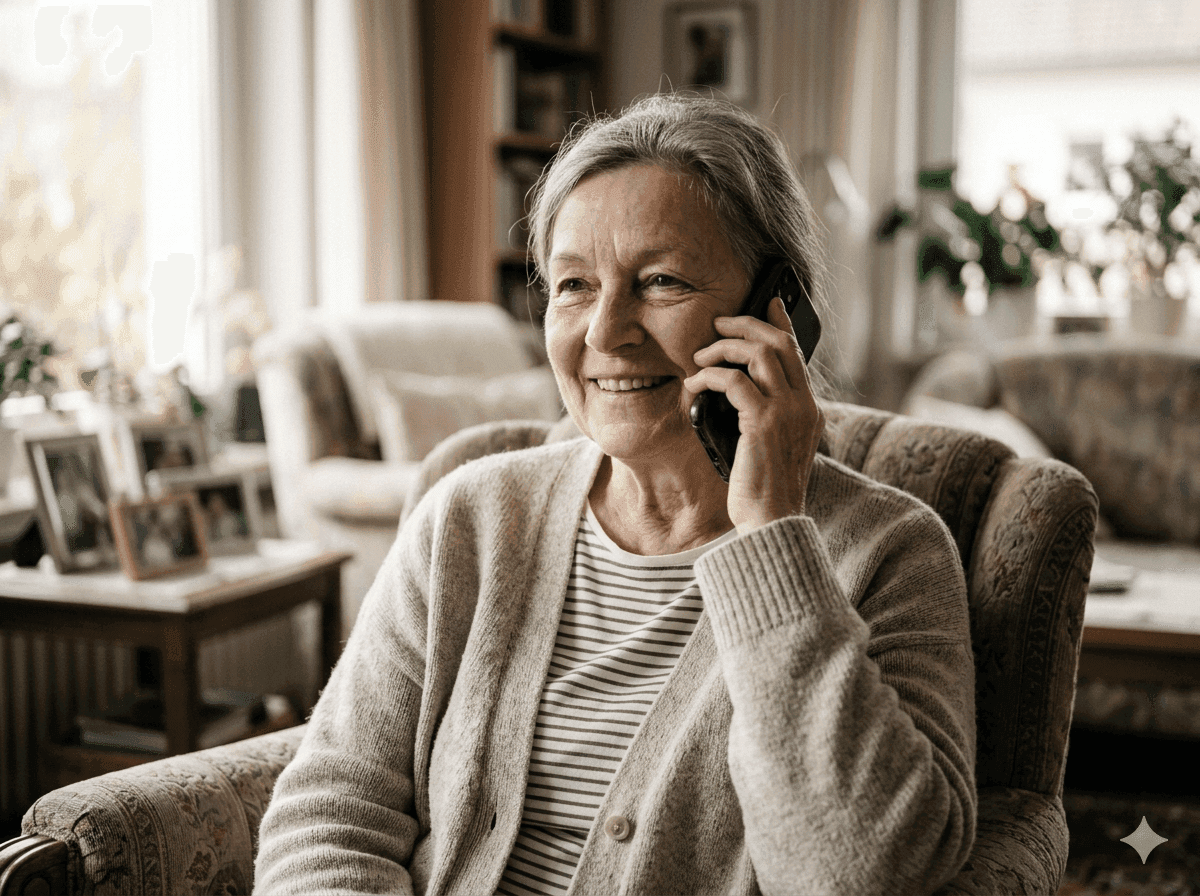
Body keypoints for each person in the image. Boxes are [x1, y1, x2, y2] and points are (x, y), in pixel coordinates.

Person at [255, 94, 976, 895]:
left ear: (776, 312)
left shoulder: (893, 552)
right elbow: (330, 812)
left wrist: (771, 535)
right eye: (572, 285)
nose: (603, 332)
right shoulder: (468, 519)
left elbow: (858, 873)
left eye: (660, 281)